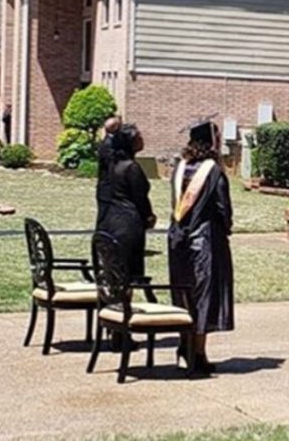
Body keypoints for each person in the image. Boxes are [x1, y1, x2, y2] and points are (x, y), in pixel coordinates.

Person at [168, 118, 234, 374]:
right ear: (211, 141)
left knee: (183, 295)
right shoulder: (213, 171)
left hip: (178, 240)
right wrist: (225, 228)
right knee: (204, 297)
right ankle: (198, 353)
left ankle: (184, 345)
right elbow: (222, 209)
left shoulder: (179, 167)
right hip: (205, 242)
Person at [96, 123, 156, 279]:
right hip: (128, 223)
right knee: (128, 273)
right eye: (139, 137)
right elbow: (140, 197)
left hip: (111, 219)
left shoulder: (113, 164)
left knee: (115, 272)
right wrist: (149, 216)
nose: (142, 139)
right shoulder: (131, 168)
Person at [95, 116, 123, 229]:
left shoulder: (108, 142)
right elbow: (112, 166)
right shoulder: (109, 145)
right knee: (104, 216)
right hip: (107, 188)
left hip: (106, 187)